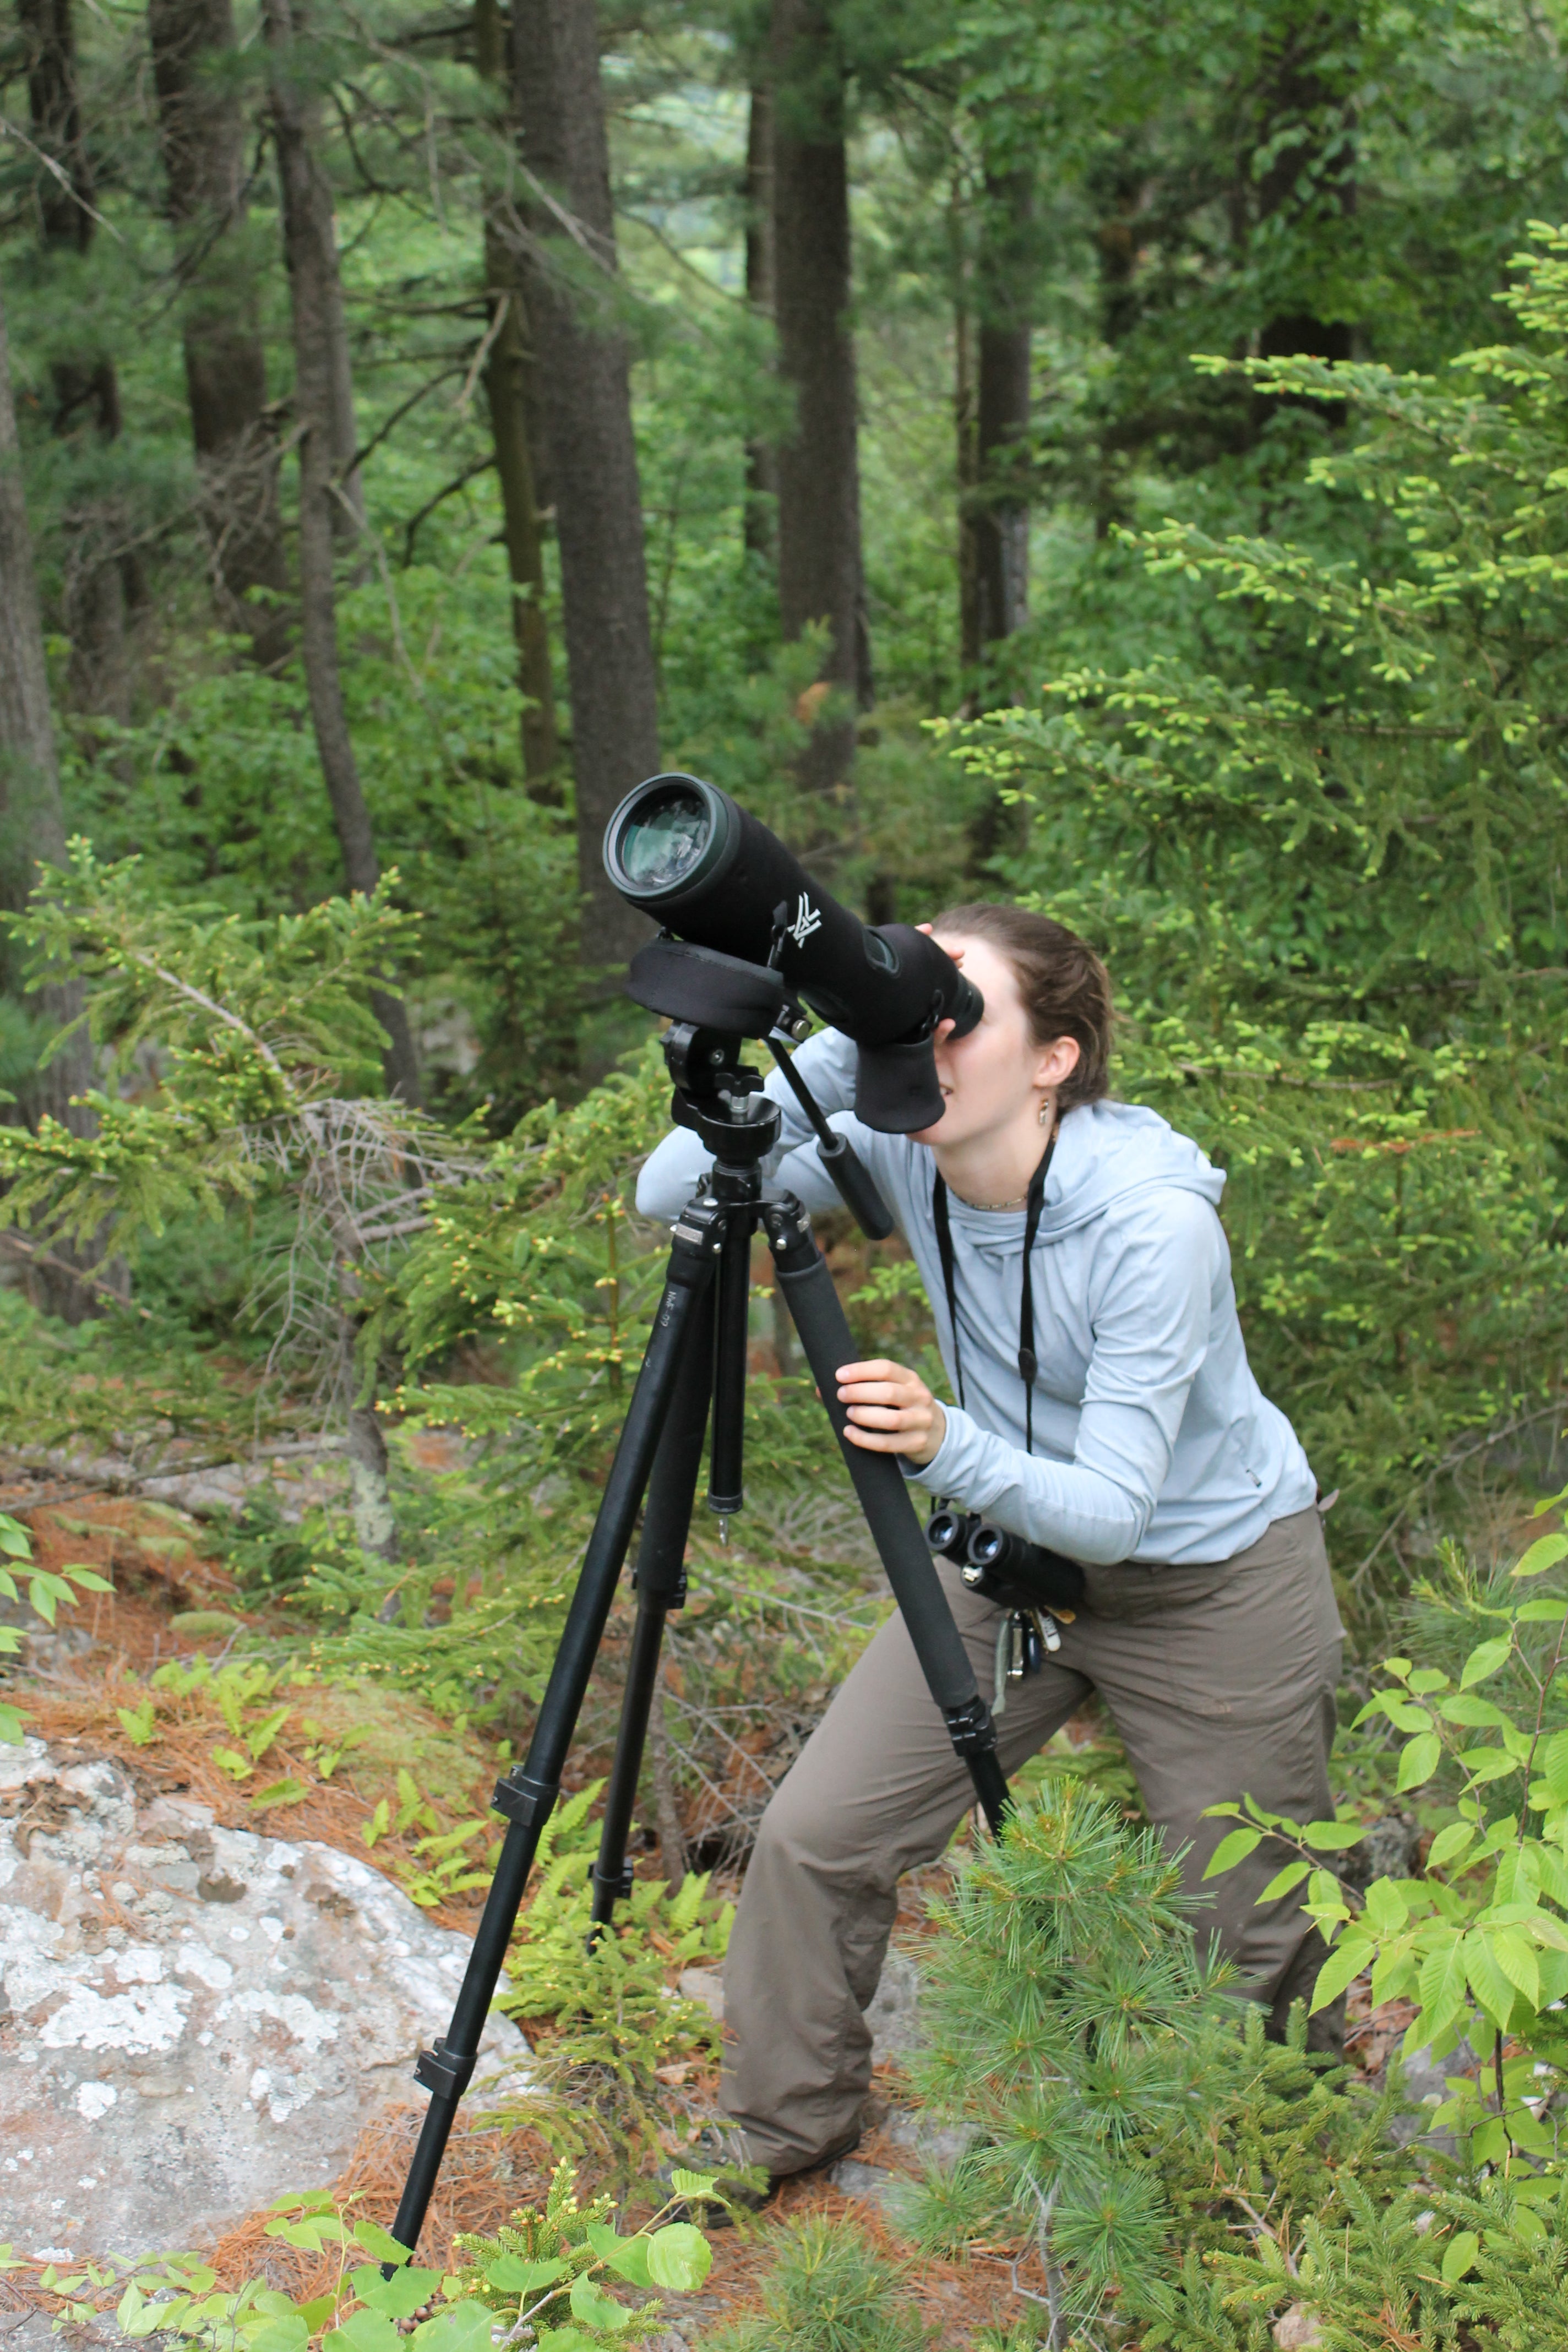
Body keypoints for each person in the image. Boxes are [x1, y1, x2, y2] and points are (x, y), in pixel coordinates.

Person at [636, 902, 1343, 2195]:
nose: (929, 1035)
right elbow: (668, 1193)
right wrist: (853, 1042)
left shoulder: (1151, 1224)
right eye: (915, 1003)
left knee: (1251, 1925)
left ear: (1053, 1058)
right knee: (812, 1838)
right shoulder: (910, 1146)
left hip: (1214, 1587)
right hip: (1012, 1563)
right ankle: (779, 2124)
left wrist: (939, 1442)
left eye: (956, 1012)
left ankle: (1282, 2176)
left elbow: (1117, 1509)